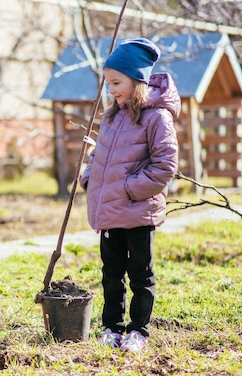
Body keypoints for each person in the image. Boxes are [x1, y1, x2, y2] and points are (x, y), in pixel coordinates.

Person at [79, 38, 179, 353]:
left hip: (137, 212)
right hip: (110, 212)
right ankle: (112, 328)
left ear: (137, 80)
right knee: (111, 274)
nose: (111, 90)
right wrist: (89, 178)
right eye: (108, 83)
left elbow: (165, 166)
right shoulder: (112, 117)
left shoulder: (157, 117)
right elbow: (100, 157)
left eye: (116, 83)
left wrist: (126, 189)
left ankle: (139, 331)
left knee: (140, 274)